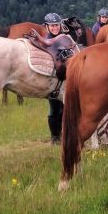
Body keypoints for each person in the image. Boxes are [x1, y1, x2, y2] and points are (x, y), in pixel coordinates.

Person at [44, 12, 66, 145]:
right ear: (47, 27)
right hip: (52, 81)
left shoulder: (64, 39)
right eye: (52, 26)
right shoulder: (44, 42)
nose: (55, 28)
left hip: (64, 81)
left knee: (64, 110)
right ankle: (54, 137)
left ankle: (63, 134)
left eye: (56, 25)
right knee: (54, 110)